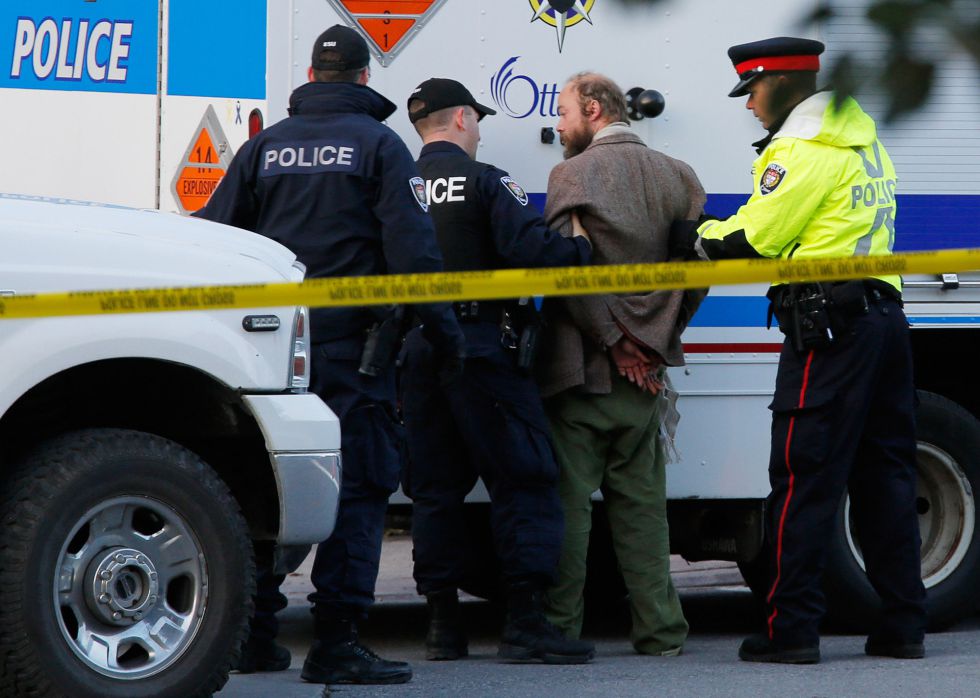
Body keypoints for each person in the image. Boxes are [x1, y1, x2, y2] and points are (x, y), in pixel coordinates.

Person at [196, 25, 465, 685]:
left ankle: (255, 636)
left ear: (313, 80)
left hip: (267, 349)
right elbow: (413, 253)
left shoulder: (263, 147)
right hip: (355, 354)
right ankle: (337, 641)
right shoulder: (379, 145)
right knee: (361, 489)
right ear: (364, 81)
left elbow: (214, 235)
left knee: (256, 481)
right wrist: (448, 337)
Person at [670, 36, 927, 664]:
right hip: (884, 318)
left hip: (829, 328)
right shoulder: (862, 140)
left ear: (783, 84)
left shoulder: (802, 146)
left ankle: (792, 632)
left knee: (802, 478)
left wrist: (693, 234)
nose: (749, 105)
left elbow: (757, 239)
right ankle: (902, 626)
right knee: (886, 477)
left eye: (753, 91)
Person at [400, 77, 596, 665]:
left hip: (414, 351)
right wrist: (580, 251)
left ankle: (442, 627)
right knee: (525, 479)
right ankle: (527, 624)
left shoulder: (397, 185)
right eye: (477, 120)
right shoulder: (487, 182)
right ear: (461, 119)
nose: (480, 130)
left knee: (434, 490)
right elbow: (533, 252)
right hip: (482, 348)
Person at [537, 72, 707, 656]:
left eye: (562, 114)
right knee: (643, 512)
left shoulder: (571, 175)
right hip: (645, 380)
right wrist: (655, 343)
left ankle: (559, 628)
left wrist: (615, 341)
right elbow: (697, 274)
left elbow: (568, 277)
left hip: (583, 372)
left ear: (592, 109)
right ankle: (661, 632)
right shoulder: (680, 176)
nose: (557, 127)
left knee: (570, 508)